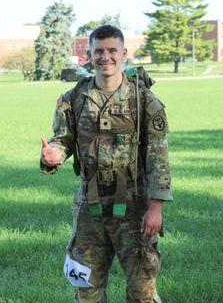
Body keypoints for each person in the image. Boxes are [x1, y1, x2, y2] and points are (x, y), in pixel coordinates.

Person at [40, 25, 172, 303]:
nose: (105, 57)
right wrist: (53, 154)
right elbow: (63, 139)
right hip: (90, 208)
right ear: (89, 55)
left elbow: (157, 156)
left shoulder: (144, 100)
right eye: (98, 51)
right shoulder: (74, 98)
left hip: (134, 208)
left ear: (123, 53)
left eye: (112, 50)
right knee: (87, 290)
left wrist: (156, 207)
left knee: (142, 293)